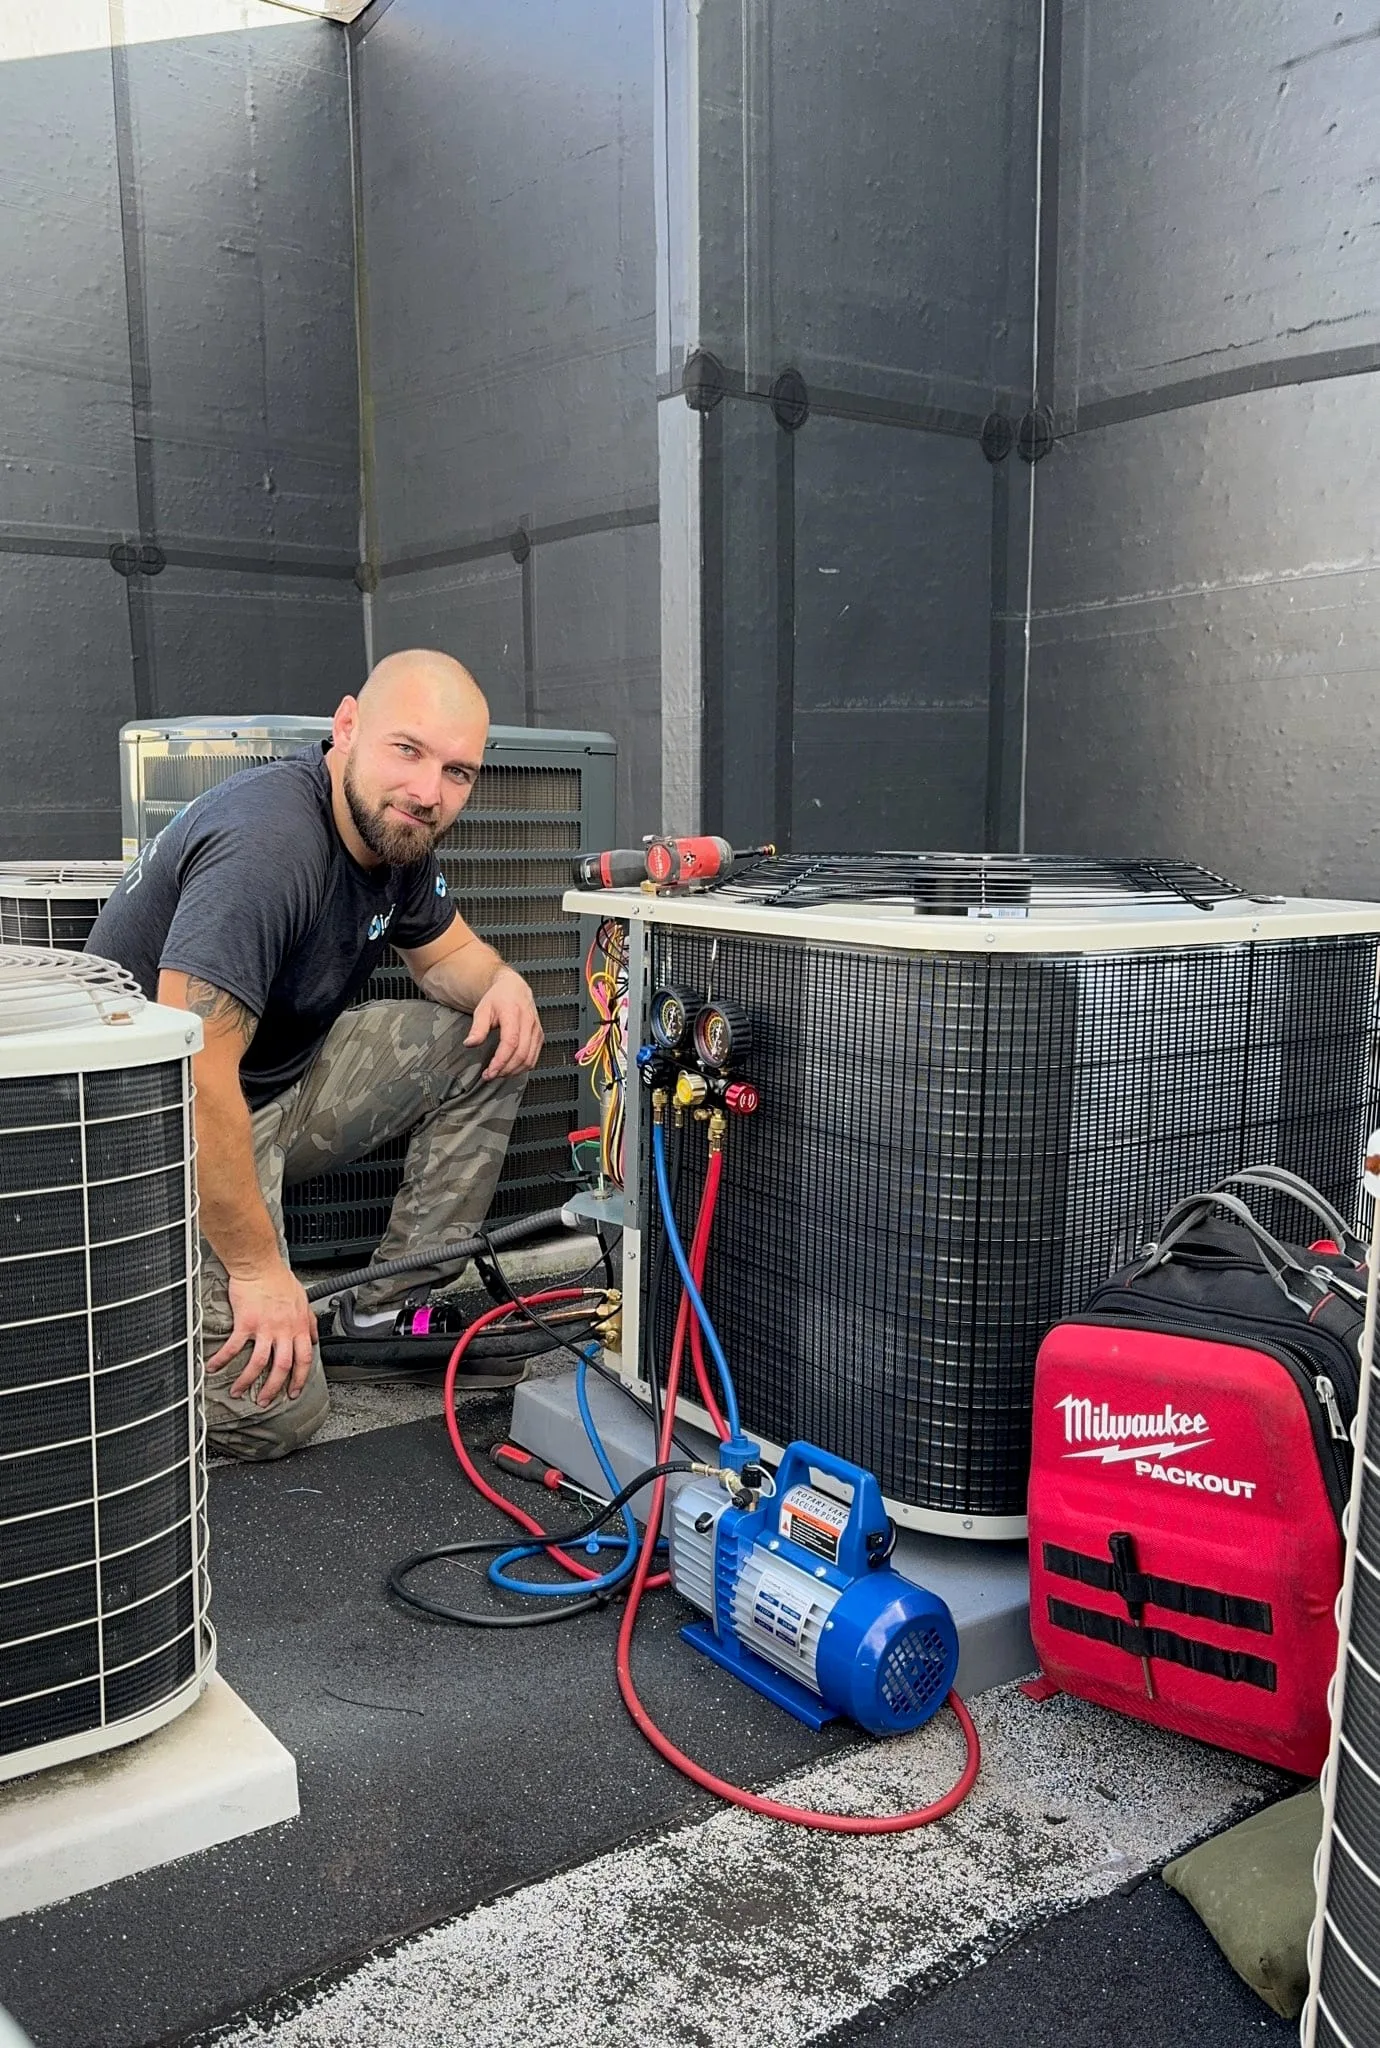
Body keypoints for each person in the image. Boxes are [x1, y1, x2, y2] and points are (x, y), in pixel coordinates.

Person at [87, 649, 544, 1461]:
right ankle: (94, 1378)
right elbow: (193, 1072)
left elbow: (444, 960)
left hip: (271, 1084)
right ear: (347, 728)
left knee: (484, 1042)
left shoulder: (395, 829)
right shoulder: (269, 847)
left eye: (457, 772)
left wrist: (503, 981)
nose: (429, 791)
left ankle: (386, 1308)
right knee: (276, 1415)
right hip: (155, 1132)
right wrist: (261, 1272)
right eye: (407, 750)